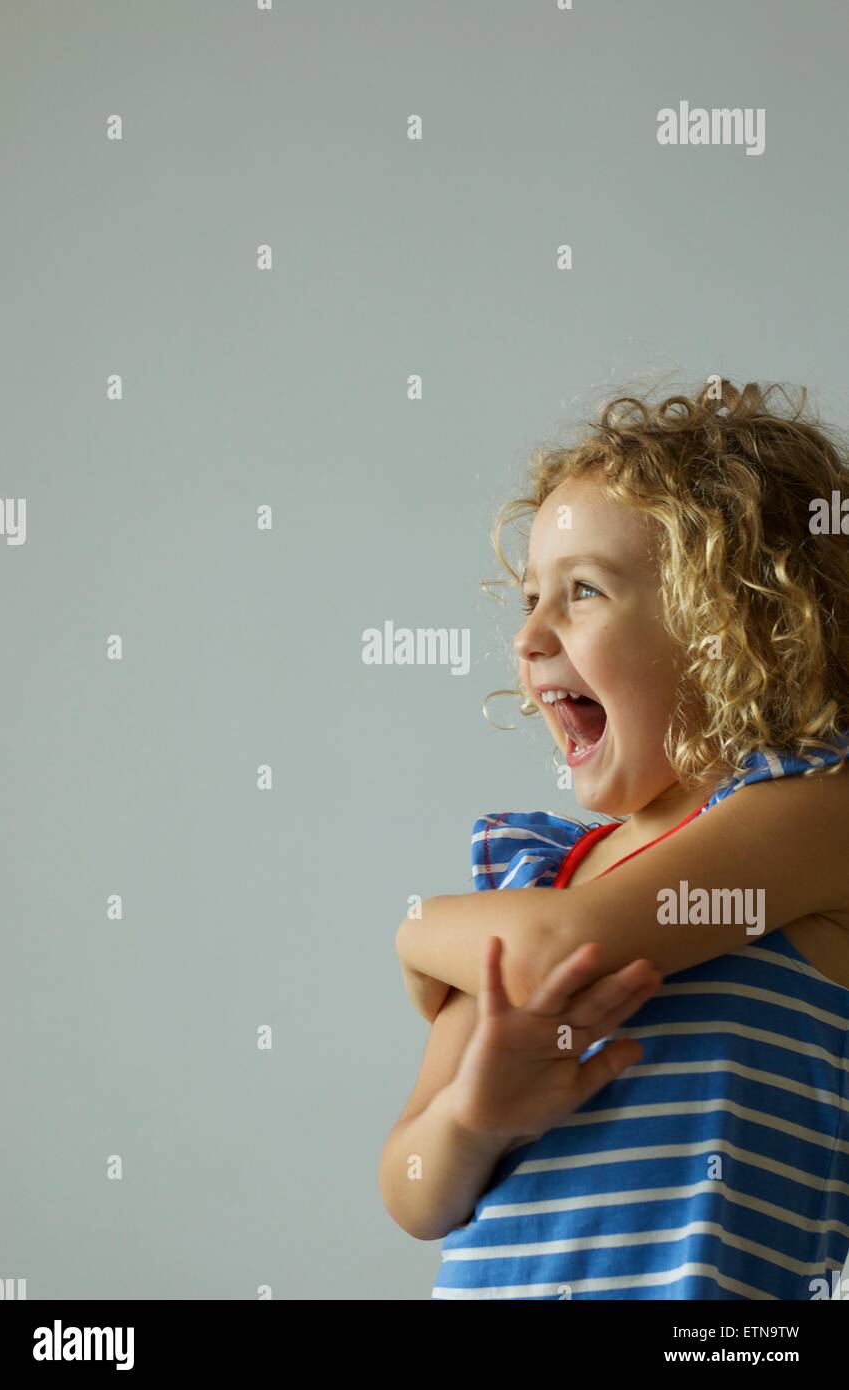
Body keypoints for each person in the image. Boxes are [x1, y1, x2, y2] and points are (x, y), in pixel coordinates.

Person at [379, 379, 849, 1299]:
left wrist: (415, 927)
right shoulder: (533, 874)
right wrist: (475, 1123)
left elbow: (570, 946)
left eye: (583, 591)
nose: (527, 637)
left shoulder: (816, 809)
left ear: (734, 618)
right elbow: (413, 1195)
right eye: (529, 598)